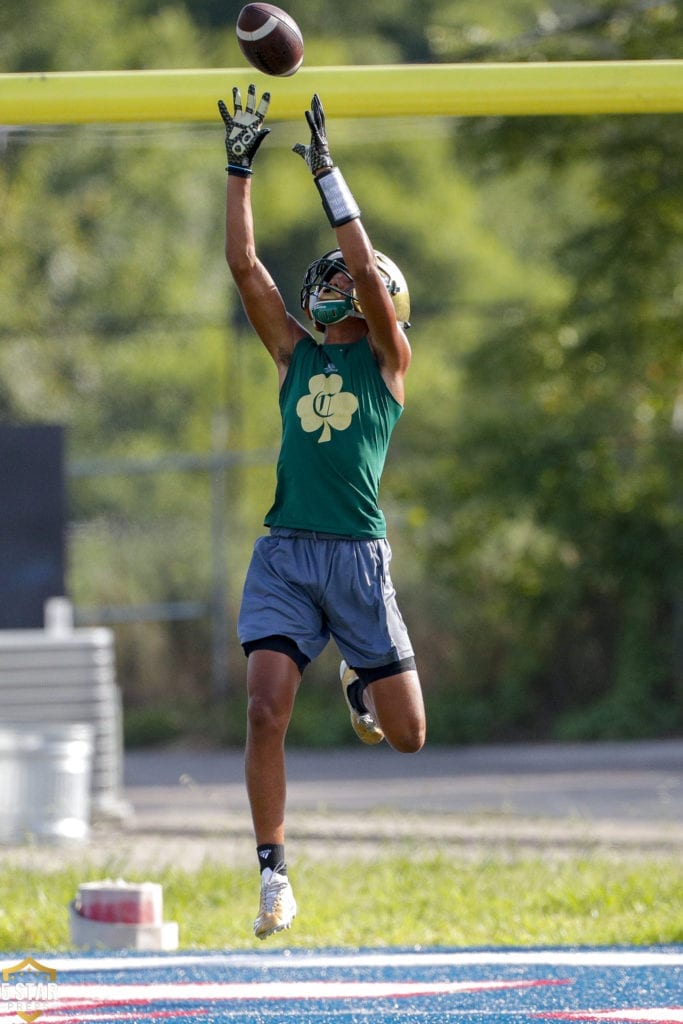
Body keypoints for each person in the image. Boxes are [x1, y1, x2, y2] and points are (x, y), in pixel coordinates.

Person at [218, 85, 427, 941]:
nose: (338, 277)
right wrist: (239, 166)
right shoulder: (292, 356)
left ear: (382, 296)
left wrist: (329, 178)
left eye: (355, 272)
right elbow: (245, 268)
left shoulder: (388, 359)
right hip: (285, 556)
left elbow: (371, 282)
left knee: (409, 737)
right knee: (265, 708)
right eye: (333, 271)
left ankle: (359, 679)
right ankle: (274, 875)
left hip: (356, 560)